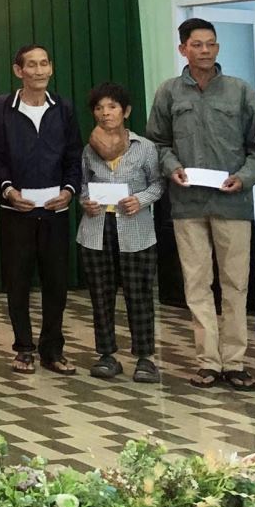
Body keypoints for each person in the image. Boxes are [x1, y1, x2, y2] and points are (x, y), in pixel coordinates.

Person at [146, 18, 255, 392]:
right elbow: (157, 143)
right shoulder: (169, 92)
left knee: (236, 284)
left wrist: (244, 177)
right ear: (183, 49)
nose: (205, 50)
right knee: (197, 284)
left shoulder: (240, 91)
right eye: (197, 44)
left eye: (211, 44)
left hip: (233, 203)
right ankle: (208, 362)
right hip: (187, 204)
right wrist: (171, 167)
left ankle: (235, 362)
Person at [0, 43, 81, 375]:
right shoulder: (1, 107)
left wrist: (69, 191)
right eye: (32, 65)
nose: (39, 70)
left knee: (56, 283)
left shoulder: (63, 108)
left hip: (55, 212)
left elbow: (73, 157)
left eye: (44, 64)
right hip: (17, 210)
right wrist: (8, 190)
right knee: (18, 282)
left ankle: (52, 350)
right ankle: (23, 348)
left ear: (51, 68)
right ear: (18, 71)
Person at [78, 83, 164, 383]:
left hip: (136, 231)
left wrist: (140, 199)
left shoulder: (145, 147)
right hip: (96, 230)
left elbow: (158, 184)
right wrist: (85, 201)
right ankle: (106, 355)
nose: (106, 113)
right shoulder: (88, 149)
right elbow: (83, 185)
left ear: (125, 111)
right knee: (101, 295)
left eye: (112, 107)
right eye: (99, 108)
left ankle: (145, 358)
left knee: (139, 295)